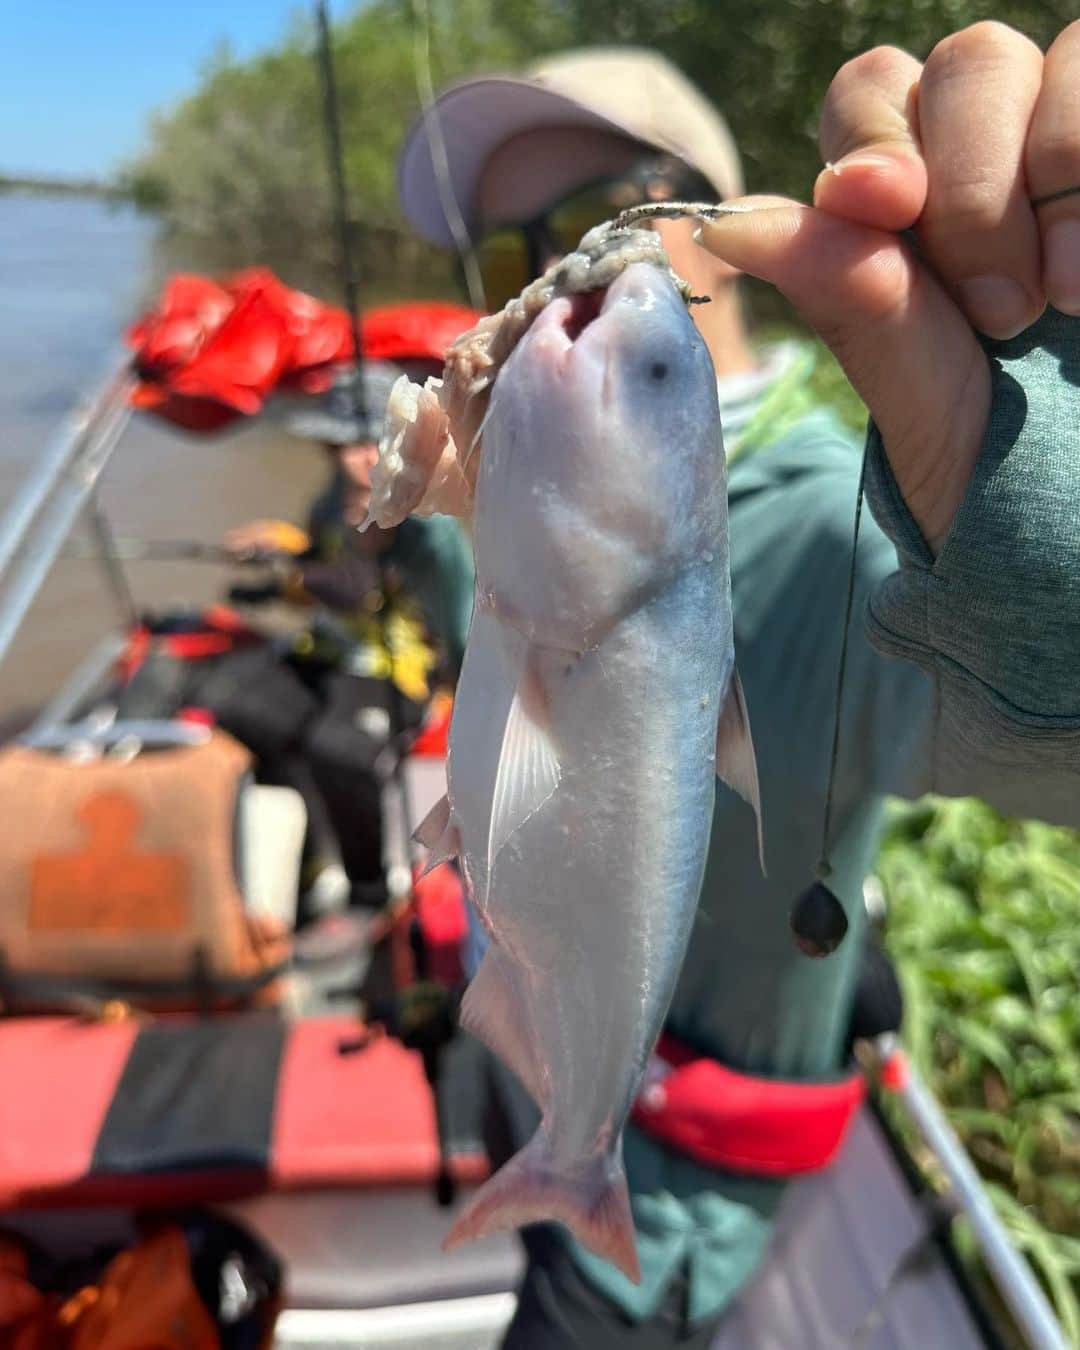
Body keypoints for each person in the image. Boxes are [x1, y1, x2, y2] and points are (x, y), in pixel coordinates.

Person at [398, 26, 1080, 1347]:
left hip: (655, 1211)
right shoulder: (532, 479)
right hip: (532, 1042)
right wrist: (438, 509)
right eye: (504, 254)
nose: (554, 276)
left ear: (720, 221)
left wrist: (1041, 513)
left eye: (608, 217)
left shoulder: (843, 527)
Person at [214, 359, 474, 910]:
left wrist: (462, 684)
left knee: (339, 749)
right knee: (240, 710)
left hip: (408, 663)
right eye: (343, 444)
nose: (360, 459)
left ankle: (369, 888)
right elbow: (323, 571)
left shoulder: (425, 520)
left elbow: (382, 593)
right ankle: (308, 853)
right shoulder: (329, 500)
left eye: (374, 442)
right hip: (335, 645)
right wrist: (285, 553)